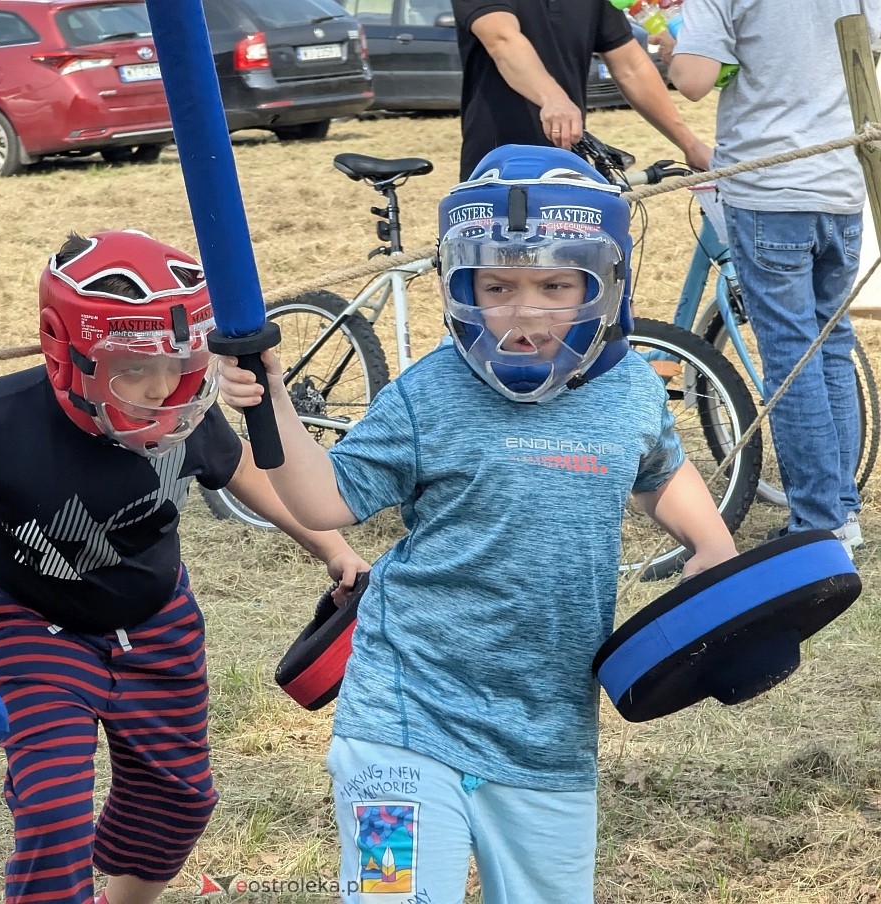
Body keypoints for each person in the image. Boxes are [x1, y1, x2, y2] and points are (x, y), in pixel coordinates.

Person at [217, 145, 739, 903]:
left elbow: (658, 467)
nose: (524, 311)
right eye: (498, 286)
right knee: (390, 897)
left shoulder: (630, 388)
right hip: (400, 723)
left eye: (556, 285)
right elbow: (324, 501)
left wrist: (712, 541)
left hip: (548, 741)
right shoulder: (427, 395)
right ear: (460, 284)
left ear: (607, 282)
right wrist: (272, 402)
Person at [0, 230, 369, 904]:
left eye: (179, 363)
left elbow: (244, 473)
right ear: (67, 351)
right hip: (32, 625)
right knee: (52, 808)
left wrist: (332, 548)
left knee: (178, 802)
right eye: (134, 368)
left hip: (158, 623)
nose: (162, 388)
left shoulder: (183, 414)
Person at [667, 0, 880, 555]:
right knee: (829, 347)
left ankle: (818, 521)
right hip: (841, 186)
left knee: (792, 357)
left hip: (770, 189)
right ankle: (840, 512)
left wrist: (669, 44)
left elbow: (692, 79)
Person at [451, 0, 712, 180]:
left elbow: (631, 67)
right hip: (495, 165)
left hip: (569, 161)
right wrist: (553, 98)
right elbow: (502, 40)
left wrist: (690, 145)